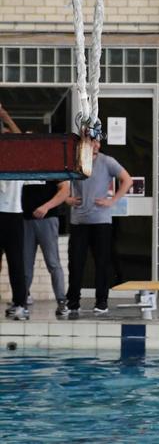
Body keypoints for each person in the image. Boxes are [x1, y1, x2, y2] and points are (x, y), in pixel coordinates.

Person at [65, 138, 132, 319]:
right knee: (76, 264)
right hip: (79, 221)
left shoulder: (107, 161)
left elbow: (127, 180)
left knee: (102, 264)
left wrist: (112, 201)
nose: (96, 145)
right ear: (84, 143)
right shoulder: (75, 160)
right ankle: (73, 302)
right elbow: (63, 183)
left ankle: (101, 303)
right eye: (92, 141)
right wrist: (67, 199)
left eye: (97, 142)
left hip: (101, 221)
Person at [22, 179, 70, 317]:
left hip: (47, 219)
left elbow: (65, 190)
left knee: (53, 263)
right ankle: (21, 301)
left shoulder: (51, 167)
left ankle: (61, 301)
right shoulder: (23, 168)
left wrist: (46, 206)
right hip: (25, 220)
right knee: (25, 266)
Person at [0, 104, 29, 321]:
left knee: (16, 262)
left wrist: (5, 116)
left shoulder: (20, 160)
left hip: (13, 214)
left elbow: (23, 141)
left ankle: (20, 303)